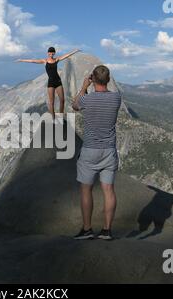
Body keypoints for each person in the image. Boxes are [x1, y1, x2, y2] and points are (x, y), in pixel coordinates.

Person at [71, 65, 121, 241]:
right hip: (109, 151)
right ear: (108, 80)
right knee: (108, 190)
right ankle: (107, 231)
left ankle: (87, 230)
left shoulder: (87, 100)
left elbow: (75, 105)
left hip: (90, 150)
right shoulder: (116, 98)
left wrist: (84, 87)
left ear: (93, 79)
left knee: (86, 190)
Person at [16, 47, 81, 121]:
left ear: (54, 53)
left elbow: (66, 55)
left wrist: (75, 51)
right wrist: (21, 60)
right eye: (50, 52)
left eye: (53, 52)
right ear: (48, 53)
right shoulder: (44, 61)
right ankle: (53, 119)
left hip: (58, 82)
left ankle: (60, 117)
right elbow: (32, 61)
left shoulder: (56, 60)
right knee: (51, 102)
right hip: (51, 83)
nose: (51, 53)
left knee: (62, 100)